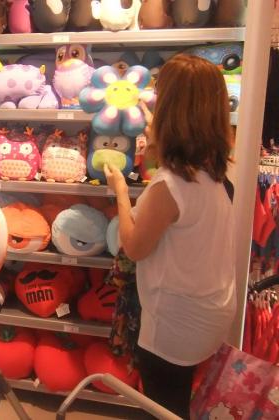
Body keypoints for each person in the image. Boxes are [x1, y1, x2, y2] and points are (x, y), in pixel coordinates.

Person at [104, 54, 236, 419]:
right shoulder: (213, 172)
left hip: (176, 325)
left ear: (170, 110)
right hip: (212, 310)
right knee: (186, 399)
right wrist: (151, 125)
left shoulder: (169, 185)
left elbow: (134, 247)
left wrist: (120, 191)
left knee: (165, 408)